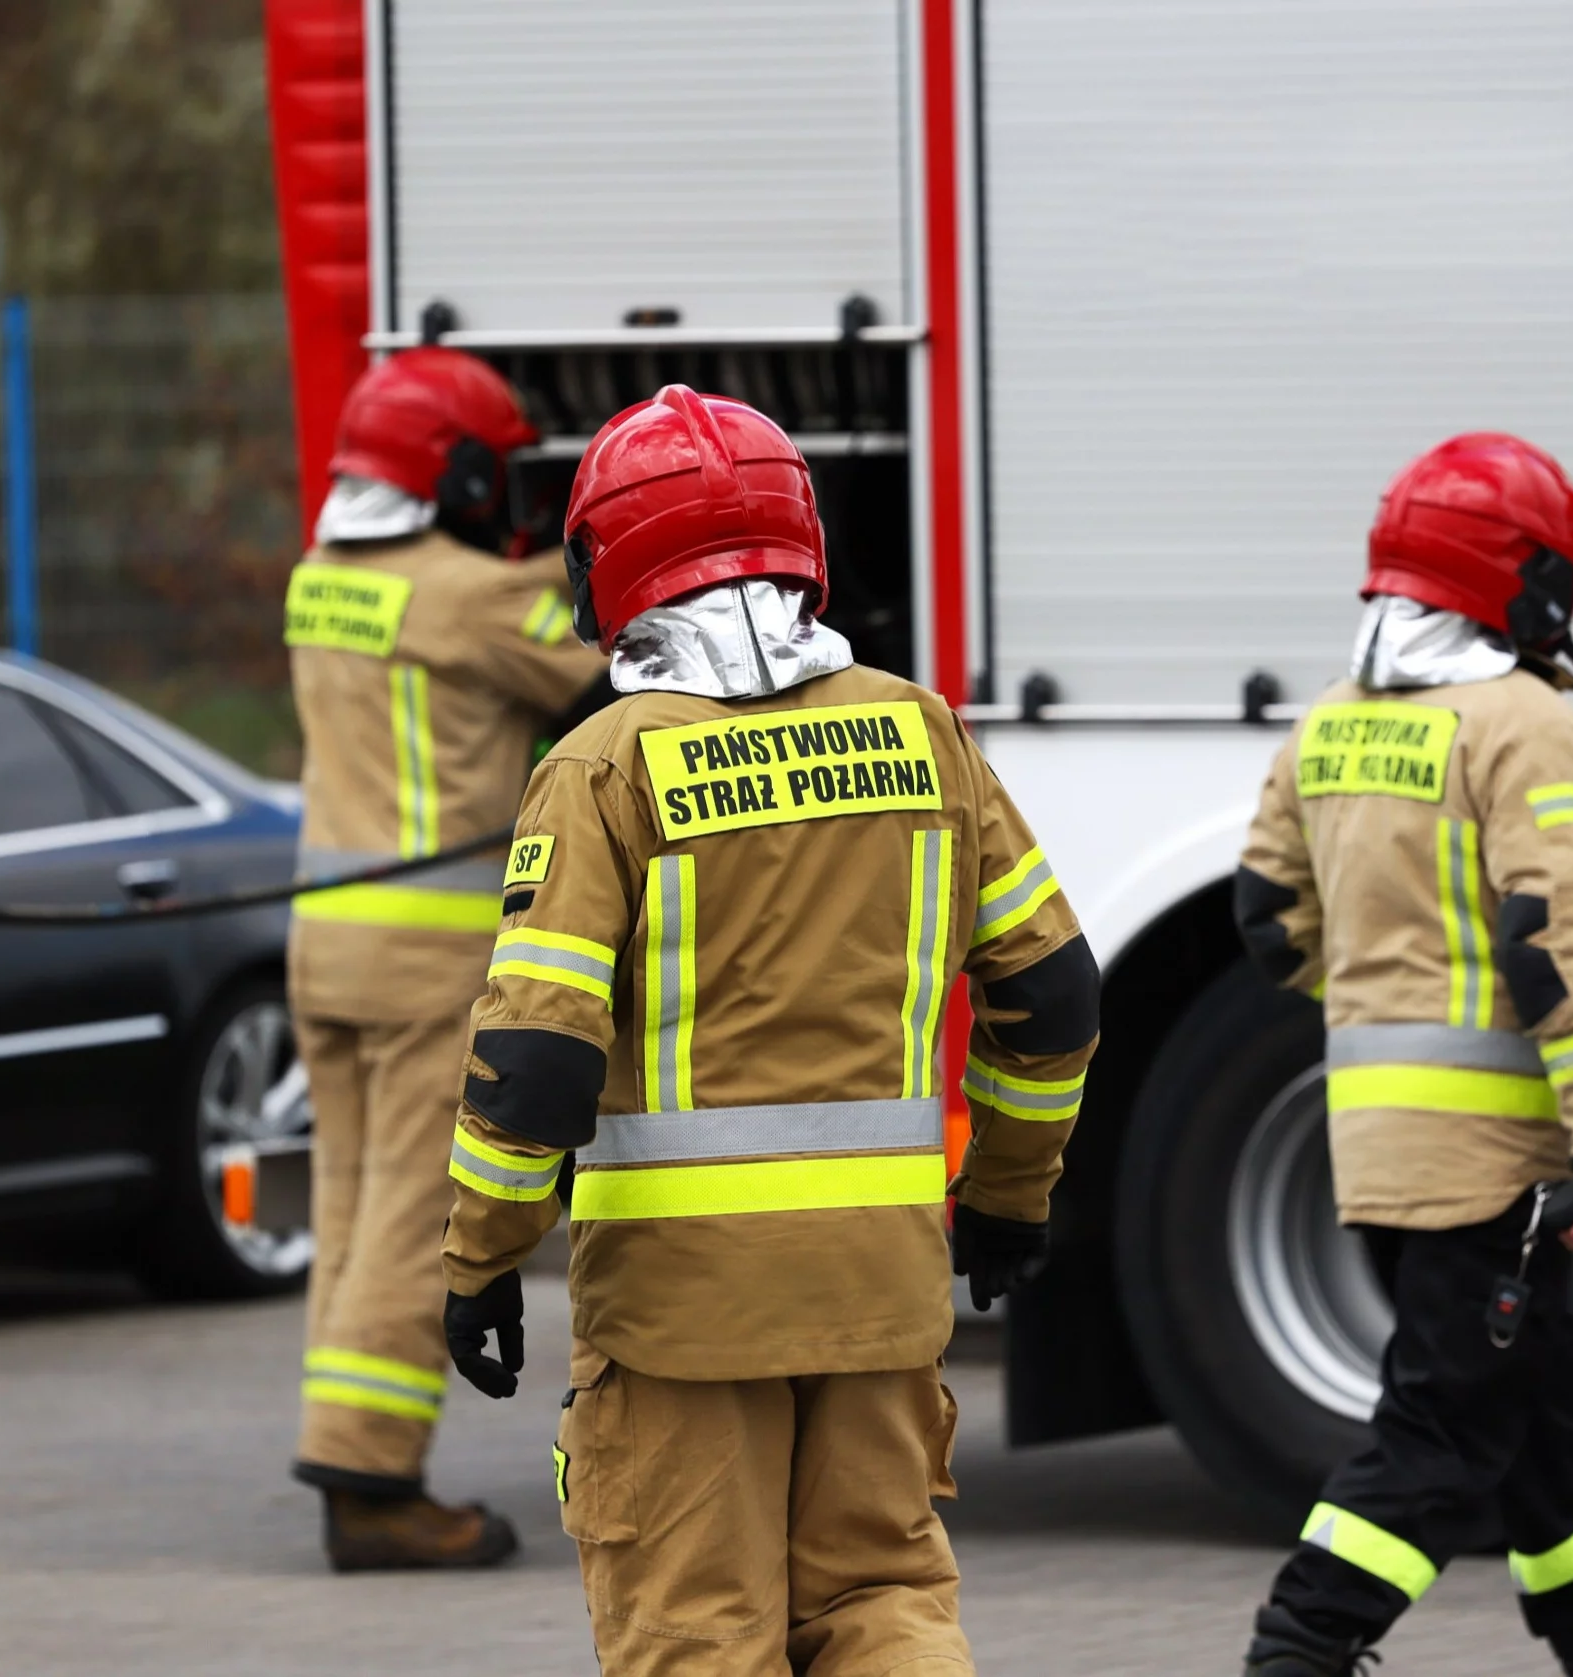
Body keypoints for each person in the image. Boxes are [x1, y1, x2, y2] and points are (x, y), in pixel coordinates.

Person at [436, 384, 1099, 1675]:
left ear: (608, 565)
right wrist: (1011, 1199)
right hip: (883, 1291)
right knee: (885, 1606)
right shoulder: (921, 731)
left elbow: (532, 1067)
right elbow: (1052, 991)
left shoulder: (603, 765)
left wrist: (479, 1262)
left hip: (683, 1318)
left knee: (699, 1637)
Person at [1232, 434, 1573, 1676]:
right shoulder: (1523, 722)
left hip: (1381, 1149)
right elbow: (1555, 949)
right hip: (1501, 1165)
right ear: (1521, 585)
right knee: (1439, 1435)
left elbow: (1266, 921)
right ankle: (1297, 1653)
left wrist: (1385, 1002)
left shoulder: (1326, 726)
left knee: (1553, 1431)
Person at [284, 347, 609, 1569]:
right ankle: (371, 1484)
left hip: (327, 949)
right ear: (458, 474)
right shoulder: (469, 596)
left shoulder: (320, 579)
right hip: (426, 958)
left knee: (353, 1206)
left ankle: (343, 1440)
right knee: (422, 1215)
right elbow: (605, 644)